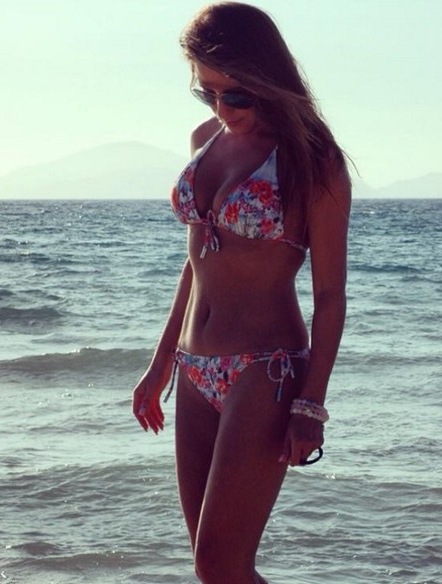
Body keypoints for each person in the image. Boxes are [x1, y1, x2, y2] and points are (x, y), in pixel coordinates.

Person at [132, 3, 350, 583]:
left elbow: (330, 294)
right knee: (212, 570)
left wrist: (310, 404)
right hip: (194, 367)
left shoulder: (314, 162)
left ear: (266, 79)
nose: (222, 110)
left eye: (235, 96)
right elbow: (196, 263)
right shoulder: (206, 139)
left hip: (265, 369)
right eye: (206, 93)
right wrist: (160, 363)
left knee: (220, 565)